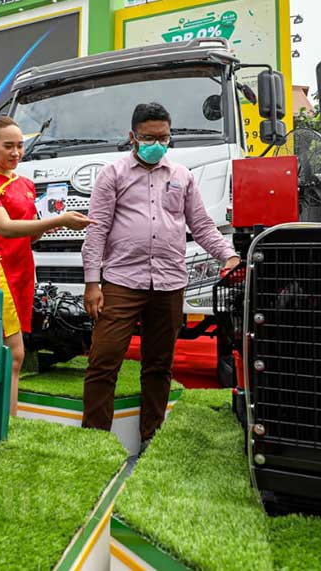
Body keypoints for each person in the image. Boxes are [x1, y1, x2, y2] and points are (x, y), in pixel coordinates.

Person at [80, 102, 240, 452]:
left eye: (164, 137)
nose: (157, 143)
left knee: (159, 364)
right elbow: (96, 231)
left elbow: (200, 224)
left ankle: (151, 435)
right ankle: (93, 441)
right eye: (149, 137)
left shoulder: (181, 175)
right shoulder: (113, 174)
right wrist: (92, 283)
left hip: (169, 283)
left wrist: (227, 255)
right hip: (122, 281)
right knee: (103, 359)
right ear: (132, 137)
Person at [0, 116, 96, 414]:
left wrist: (45, 226)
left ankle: (5, 420)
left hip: (24, 269)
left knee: (11, 353)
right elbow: (5, 227)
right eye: (8, 146)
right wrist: (59, 220)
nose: (15, 153)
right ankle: (4, 422)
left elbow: (29, 232)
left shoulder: (26, 184)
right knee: (14, 353)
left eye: (20, 146)